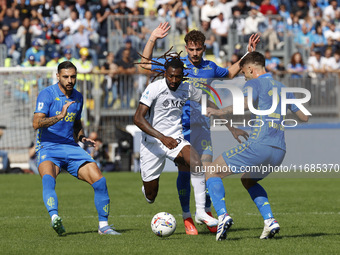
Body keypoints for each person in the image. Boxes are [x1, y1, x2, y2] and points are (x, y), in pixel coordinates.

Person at [140, 22, 259, 235]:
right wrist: (152, 38)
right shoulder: (176, 67)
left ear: (204, 48)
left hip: (202, 126)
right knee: (186, 172)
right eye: (191, 49)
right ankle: (187, 217)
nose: (194, 53)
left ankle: (206, 212)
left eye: (198, 49)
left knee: (205, 170)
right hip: (180, 128)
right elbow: (145, 65)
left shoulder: (210, 67)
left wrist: (246, 55)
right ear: (186, 48)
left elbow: (231, 73)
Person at [205, 51, 309, 241]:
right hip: (279, 151)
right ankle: (269, 220)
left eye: (244, 72)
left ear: (251, 69)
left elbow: (246, 103)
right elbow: (304, 117)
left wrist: (219, 111)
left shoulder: (254, 83)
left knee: (212, 171)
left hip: (259, 145)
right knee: (248, 180)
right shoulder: (283, 87)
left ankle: (222, 216)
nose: (243, 77)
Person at [32, 61, 120, 236]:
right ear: (58, 76)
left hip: (71, 147)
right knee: (49, 180)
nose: (70, 80)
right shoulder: (47, 94)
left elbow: (76, 122)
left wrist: (81, 137)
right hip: (48, 147)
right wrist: (59, 116)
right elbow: (36, 123)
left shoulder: (78, 97)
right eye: (66, 77)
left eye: (73, 76)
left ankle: (104, 226)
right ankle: (55, 217)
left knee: (100, 181)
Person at [134, 56, 218, 230]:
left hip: (176, 138)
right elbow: (138, 118)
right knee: (151, 196)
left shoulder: (187, 89)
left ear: (182, 76)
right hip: (152, 143)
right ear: (165, 73)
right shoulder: (155, 88)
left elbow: (205, 100)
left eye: (177, 77)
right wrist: (162, 137)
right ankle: (146, 188)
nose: (173, 80)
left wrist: (214, 109)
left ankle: (201, 212)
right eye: (170, 76)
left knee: (195, 162)